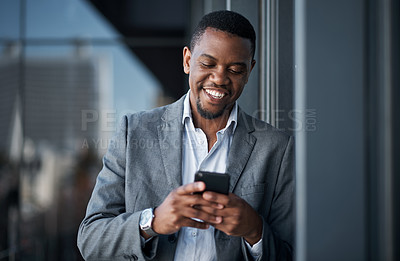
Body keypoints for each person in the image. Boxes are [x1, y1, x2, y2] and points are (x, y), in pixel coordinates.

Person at [77, 10, 293, 261]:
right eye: (208, 64)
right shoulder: (133, 132)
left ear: (249, 71)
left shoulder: (277, 148)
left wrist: (255, 230)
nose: (219, 78)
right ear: (187, 60)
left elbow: (292, 253)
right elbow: (91, 239)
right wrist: (152, 222)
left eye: (235, 69)